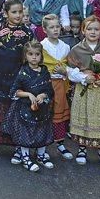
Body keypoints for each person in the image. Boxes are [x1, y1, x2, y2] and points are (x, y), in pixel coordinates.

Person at [0, 0, 34, 163]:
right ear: (5, 13)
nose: (18, 15)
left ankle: (18, 146)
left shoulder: (28, 33)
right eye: (14, 12)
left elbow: (31, 57)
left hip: (17, 78)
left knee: (15, 112)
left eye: (20, 12)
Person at [67, 15, 100, 166]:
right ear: (83, 30)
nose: (93, 32)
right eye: (89, 29)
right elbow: (70, 70)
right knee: (83, 116)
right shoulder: (76, 50)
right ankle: (82, 148)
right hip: (84, 89)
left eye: (96, 29)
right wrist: (83, 77)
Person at [2, 40, 55, 172]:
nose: (34, 57)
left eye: (37, 54)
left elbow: (50, 90)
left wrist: (43, 95)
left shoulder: (44, 71)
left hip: (41, 109)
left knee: (42, 131)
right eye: (31, 54)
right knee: (25, 133)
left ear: (41, 56)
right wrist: (28, 94)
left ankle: (41, 155)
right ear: (25, 56)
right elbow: (14, 91)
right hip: (25, 109)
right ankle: (25, 158)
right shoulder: (23, 72)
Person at [40, 14, 73, 160]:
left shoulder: (65, 46)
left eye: (57, 26)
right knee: (44, 113)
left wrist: (64, 71)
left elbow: (67, 64)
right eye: (51, 27)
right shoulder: (42, 46)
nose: (55, 30)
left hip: (60, 84)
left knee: (59, 113)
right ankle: (42, 144)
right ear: (44, 29)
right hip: (46, 84)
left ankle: (59, 142)